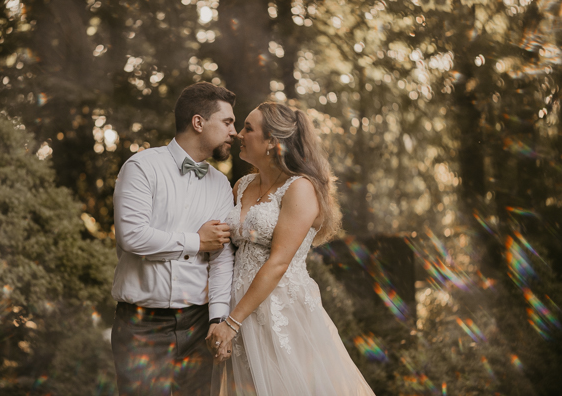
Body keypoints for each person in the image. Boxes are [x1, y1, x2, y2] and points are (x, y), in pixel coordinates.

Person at [208, 102, 376, 396]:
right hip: (238, 307)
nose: (238, 135)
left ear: (272, 141)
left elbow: (278, 262)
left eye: (248, 128)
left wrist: (232, 323)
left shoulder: (300, 188)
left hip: (281, 309)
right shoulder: (242, 185)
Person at [111, 82, 238, 396]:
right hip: (142, 326)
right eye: (227, 122)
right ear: (198, 122)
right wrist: (195, 241)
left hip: (198, 324)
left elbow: (221, 258)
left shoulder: (221, 184)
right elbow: (132, 236)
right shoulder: (142, 167)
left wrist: (218, 317)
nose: (234, 131)